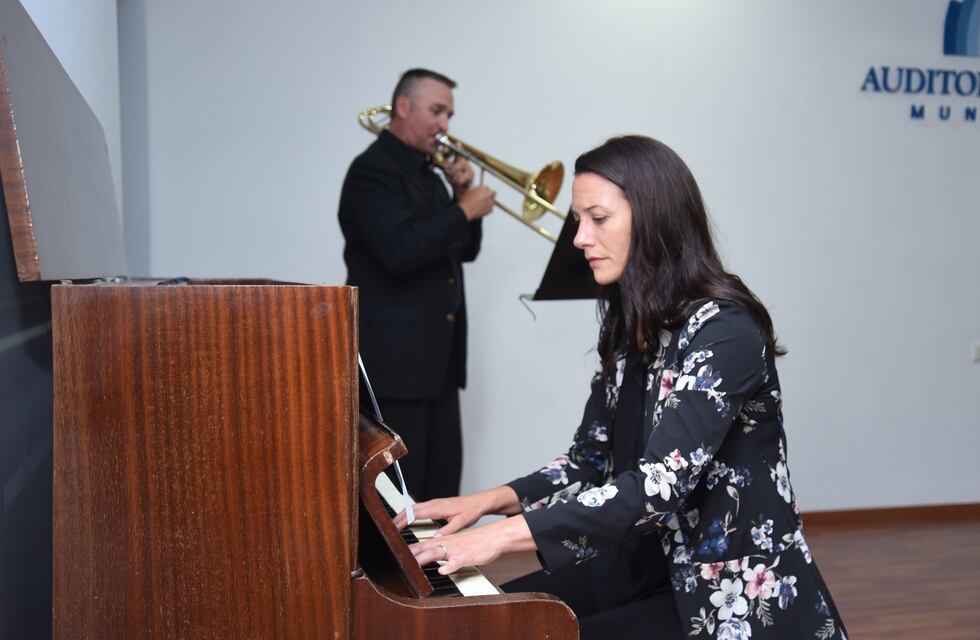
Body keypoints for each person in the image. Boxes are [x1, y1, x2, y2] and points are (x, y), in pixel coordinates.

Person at [396, 136, 848, 639]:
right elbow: (587, 462)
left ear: (655, 220)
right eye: (578, 220)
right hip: (640, 560)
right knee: (492, 617)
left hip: (721, 591)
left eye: (599, 218)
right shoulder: (632, 326)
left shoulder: (724, 330)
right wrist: (482, 503)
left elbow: (658, 487)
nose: (578, 239)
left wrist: (499, 538)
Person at [338, 69, 495, 502]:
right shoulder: (372, 172)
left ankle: (437, 571)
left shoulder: (428, 175)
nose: (445, 124)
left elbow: (462, 250)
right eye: (437, 111)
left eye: (449, 114)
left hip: (438, 364)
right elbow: (399, 251)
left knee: (439, 488)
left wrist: (460, 194)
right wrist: (462, 210)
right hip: (395, 369)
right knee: (397, 498)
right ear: (403, 107)